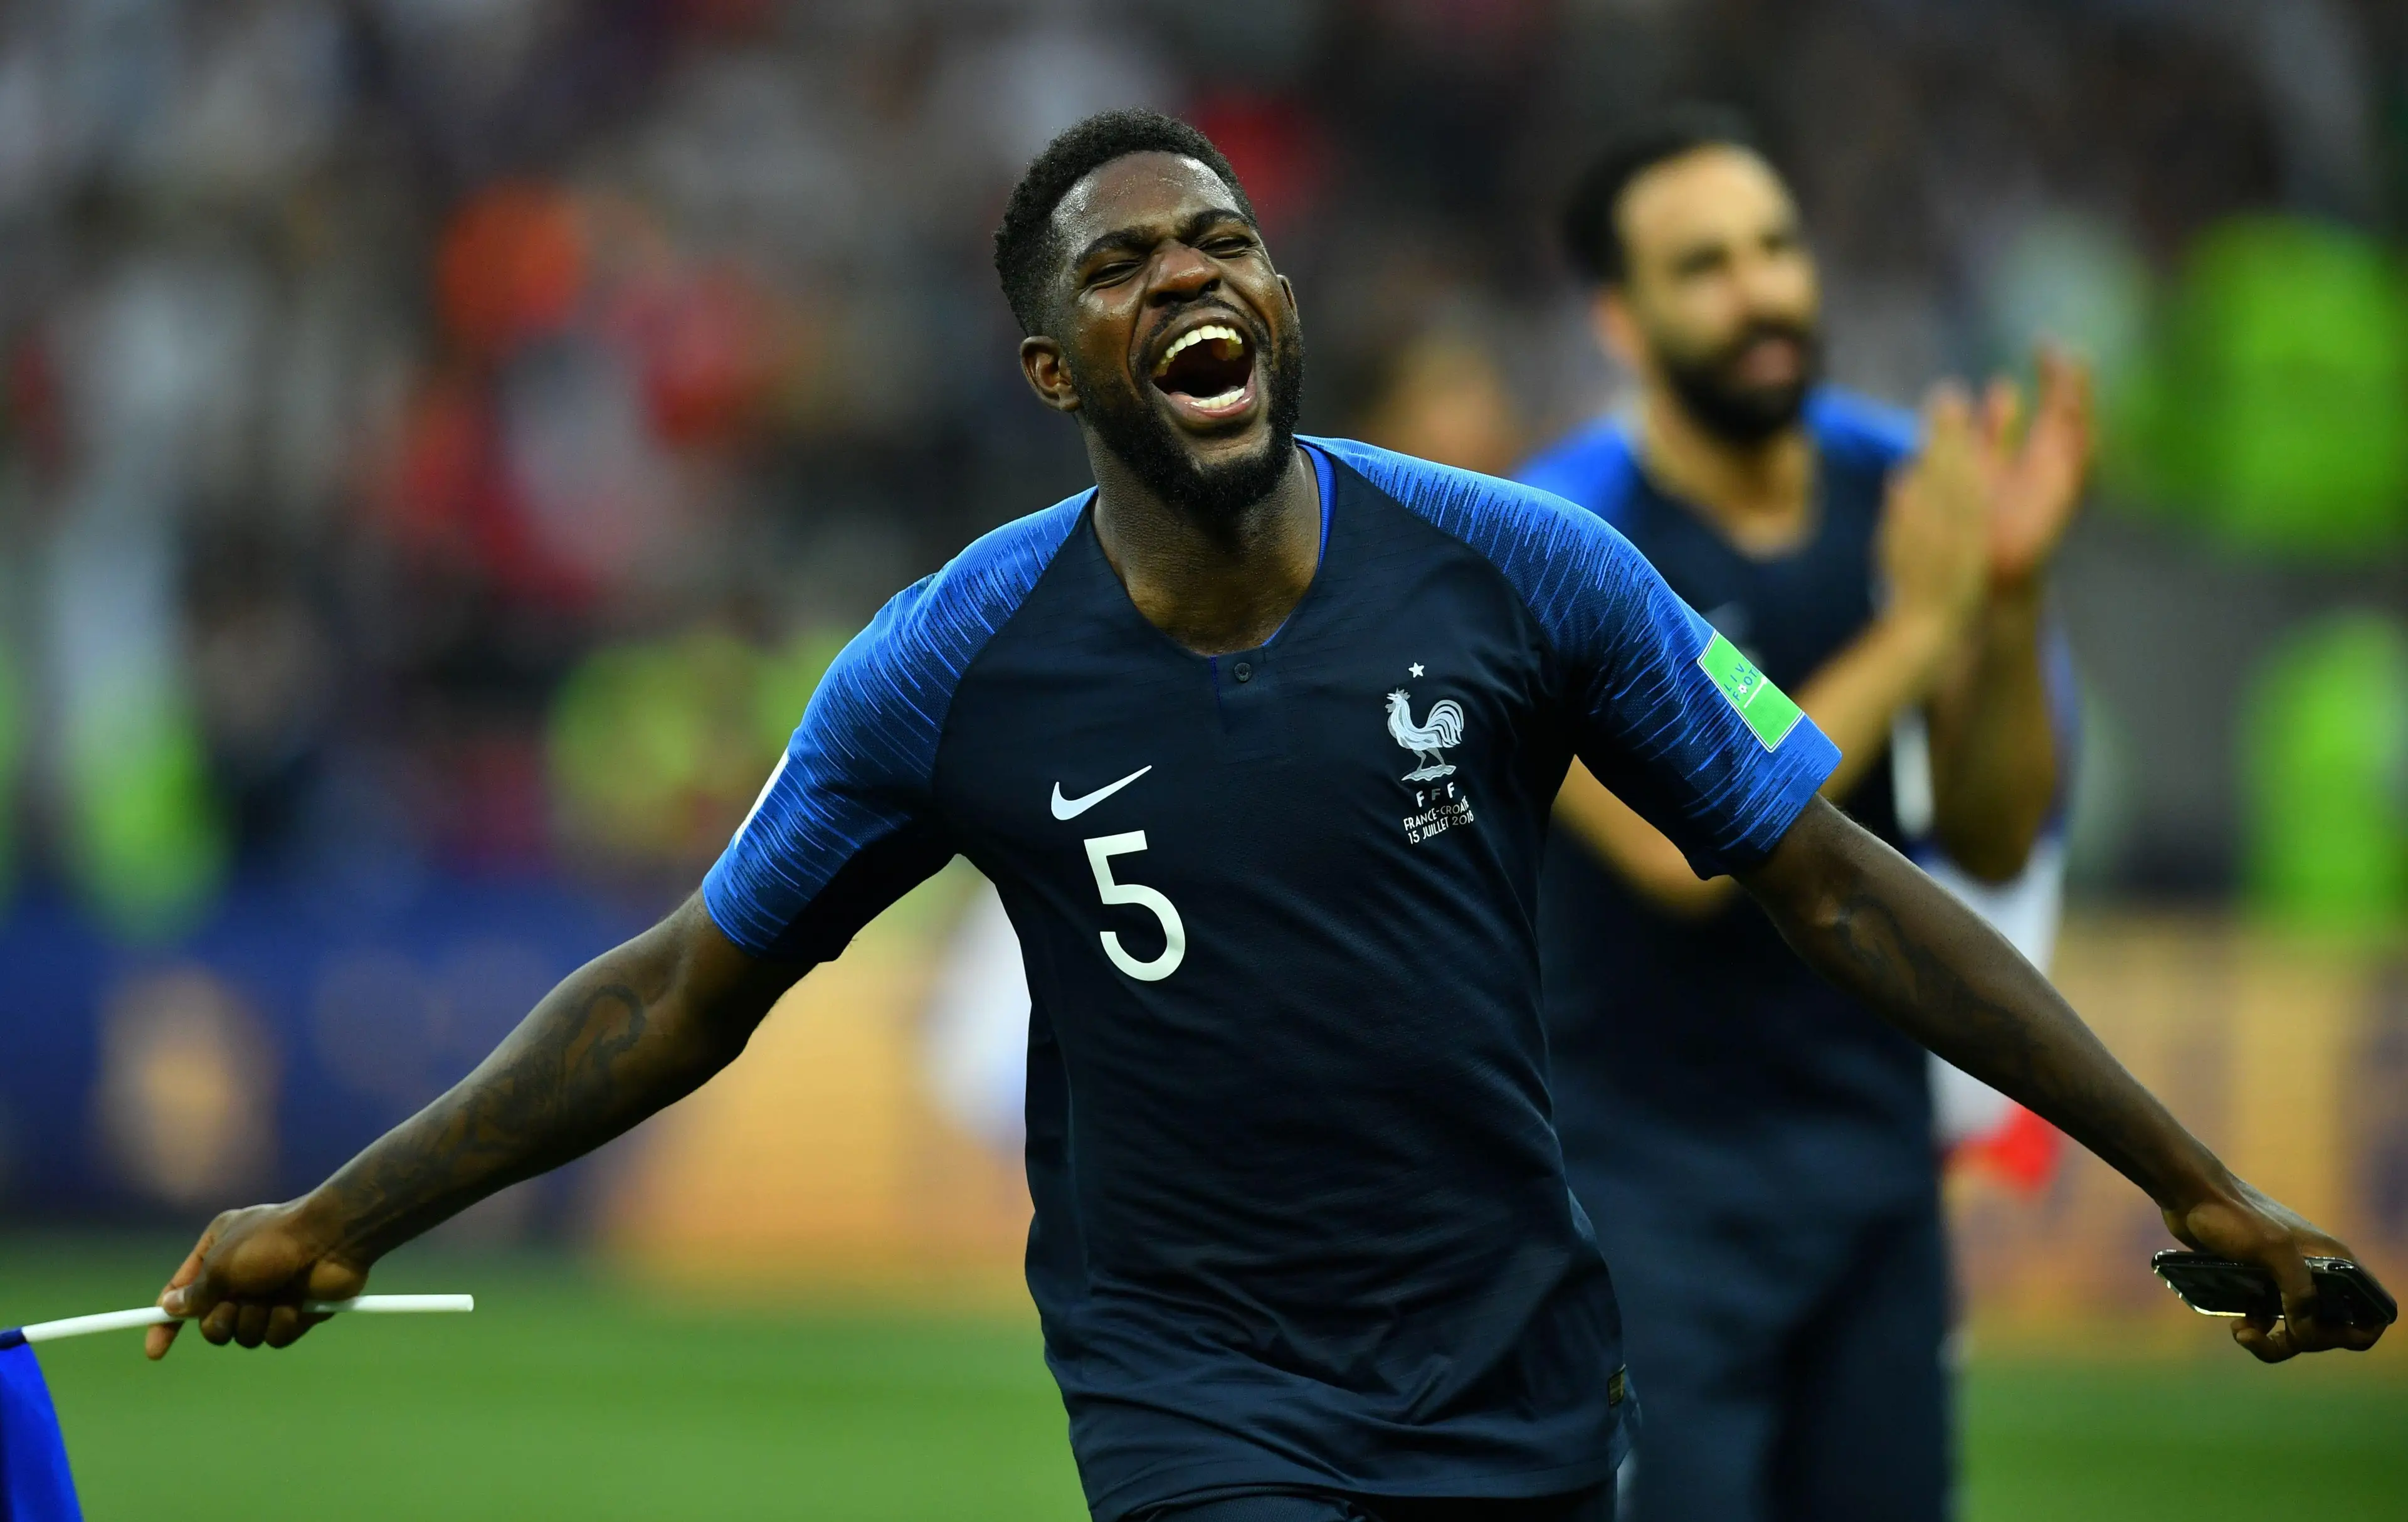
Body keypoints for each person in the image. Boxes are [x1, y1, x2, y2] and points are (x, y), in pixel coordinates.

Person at [146, 109, 2379, 1522]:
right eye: (1119, 266)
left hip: (1515, 1363)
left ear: (1279, 305)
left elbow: (1844, 886)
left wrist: (2200, 1178)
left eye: (1218, 241)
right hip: (1198, 1390)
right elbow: (674, 993)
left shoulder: (1530, 569)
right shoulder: (946, 665)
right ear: (1054, 375)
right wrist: (344, 1214)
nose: (1187, 273)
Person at [1518, 107, 2089, 1522]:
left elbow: (1998, 831)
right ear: (1619, 317)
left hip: (1870, 1166)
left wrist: (2003, 612)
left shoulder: (1907, 486)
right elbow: (1677, 852)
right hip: (1635, 1184)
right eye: (1702, 264)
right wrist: (1926, 624)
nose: (1761, 289)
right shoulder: (1545, 541)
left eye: (1775, 247)